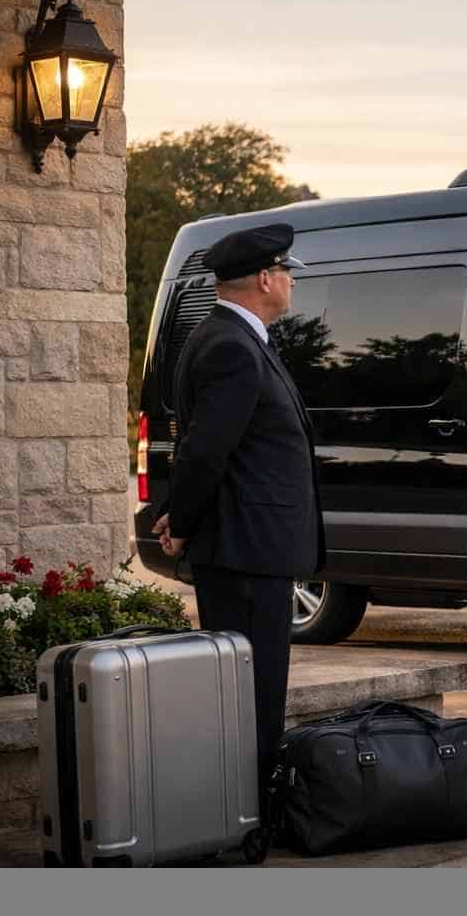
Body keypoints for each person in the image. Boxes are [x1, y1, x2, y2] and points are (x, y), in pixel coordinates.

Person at [150, 222, 325, 802]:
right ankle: (249, 810)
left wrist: (179, 513)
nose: (291, 284)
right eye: (286, 274)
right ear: (264, 279)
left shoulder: (230, 337)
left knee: (251, 683)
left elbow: (208, 443)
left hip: (249, 546)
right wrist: (183, 520)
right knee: (254, 686)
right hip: (246, 550)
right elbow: (204, 449)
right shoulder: (229, 344)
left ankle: (245, 804)